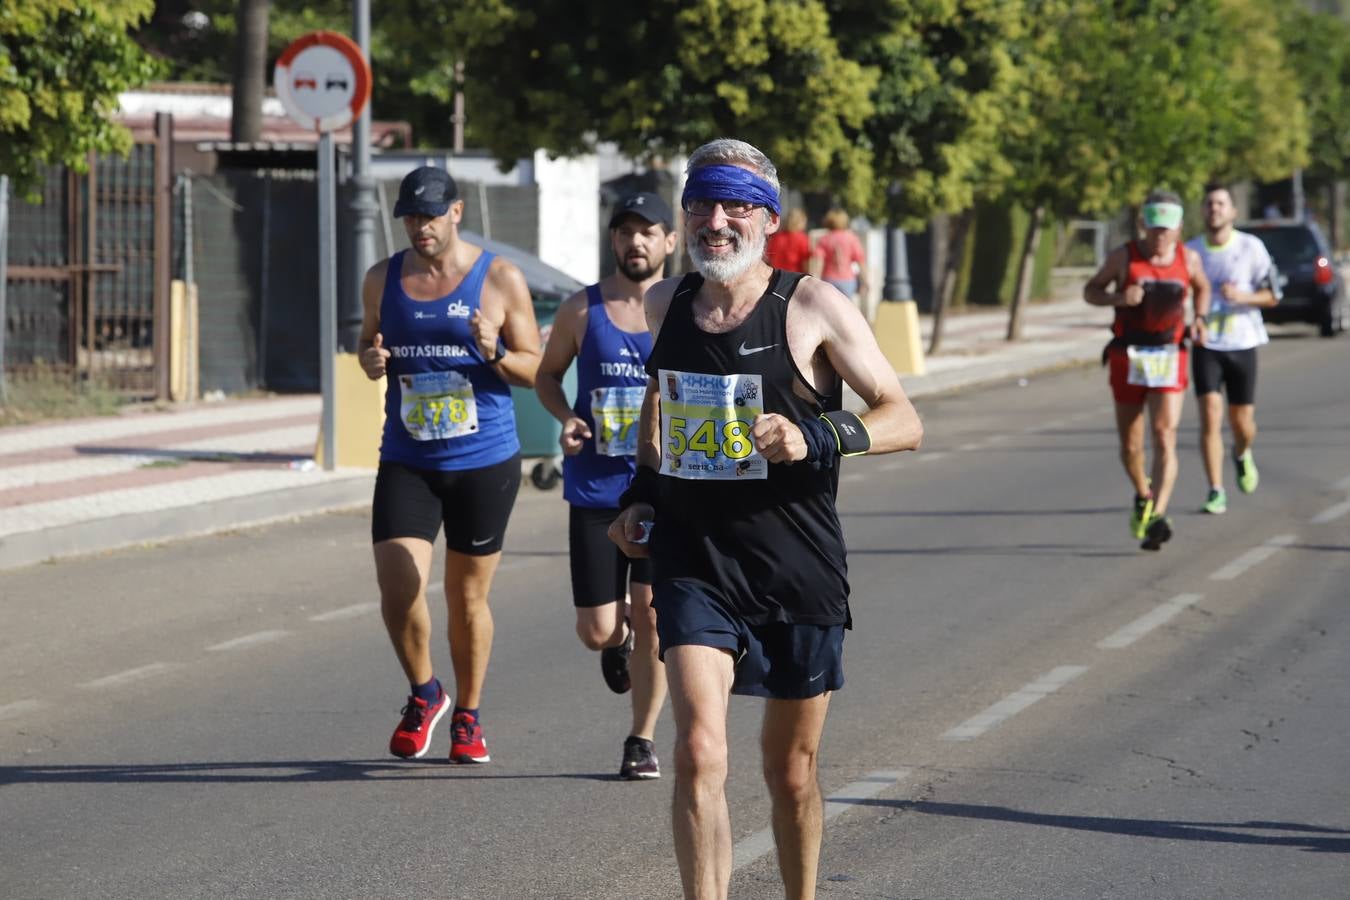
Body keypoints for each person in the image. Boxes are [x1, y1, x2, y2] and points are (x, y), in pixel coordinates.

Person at [608, 139, 923, 900]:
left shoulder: (811, 306)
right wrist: (638, 499)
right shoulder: (666, 304)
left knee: (790, 774)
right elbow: (662, 423)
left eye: (736, 206)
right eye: (703, 205)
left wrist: (815, 434)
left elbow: (905, 418)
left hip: (795, 562)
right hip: (695, 560)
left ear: (768, 219)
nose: (717, 221)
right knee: (700, 753)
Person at [358, 165, 541, 763]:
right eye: (411, 217)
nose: (421, 227)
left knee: (466, 599)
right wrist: (371, 358)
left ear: (456, 212)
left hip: (483, 458)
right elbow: (367, 341)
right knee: (398, 584)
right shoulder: (382, 278)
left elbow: (536, 369)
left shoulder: (500, 278)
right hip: (408, 456)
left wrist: (494, 351)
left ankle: (469, 713)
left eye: (430, 215)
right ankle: (424, 692)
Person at [534, 191, 677, 780]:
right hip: (595, 490)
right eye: (625, 232)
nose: (635, 242)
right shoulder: (580, 310)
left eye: (647, 232)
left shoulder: (688, 310)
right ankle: (614, 644)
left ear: (671, 240)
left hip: (662, 490)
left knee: (651, 614)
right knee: (598, 630)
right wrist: (566, 416)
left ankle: (640, 739)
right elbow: (546, 375)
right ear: (613, 240)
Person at [1084, 189, 1211, 551]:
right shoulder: (1123, 257)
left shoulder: (1189, 259)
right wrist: (1117, 298)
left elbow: (1203, 289)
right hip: (1129, 355)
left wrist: (1200, 318)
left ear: (1179, 228)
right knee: (1131, 444)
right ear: (1143, 225)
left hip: (1170, 353)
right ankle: (1143, 492)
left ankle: (1157, 514)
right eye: (1154, 228)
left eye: (1167, 229)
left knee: (1164, 433)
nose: (1160, 236)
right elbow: (1090, 290)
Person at [1186, 183, 1280, 514]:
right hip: (1206, 344)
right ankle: (1215, 489)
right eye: (1209, 203)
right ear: (1202, 210)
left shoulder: (1251, 248)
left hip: (1243, 342)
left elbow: (1273, 295)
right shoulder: (1191, 251)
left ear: (1233, 211)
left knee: (1242, 423)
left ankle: (1241, 453)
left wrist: (1243, 298)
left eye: (1221, 203)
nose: (1215, 209)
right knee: (1210, 417)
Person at [809, 208, 867, 301]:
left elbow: (818, 262)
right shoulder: (852, 238)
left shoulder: (824, 239)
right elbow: (860, 260)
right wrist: (865, 281)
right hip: (848, 280)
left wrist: (814, 281)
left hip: (829, 279)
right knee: (846, 308)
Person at [766, 207, 811, 273]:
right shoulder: (802, 238)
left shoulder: (776, 237)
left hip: (776, 275)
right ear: (800, 222)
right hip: (794, 275)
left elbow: (769, 258)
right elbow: (805, 262)